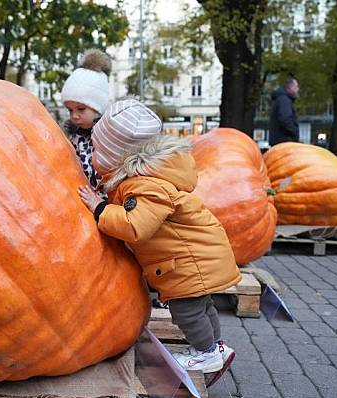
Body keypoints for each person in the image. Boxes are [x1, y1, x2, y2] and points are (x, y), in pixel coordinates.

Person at [77, 99, 241, 374]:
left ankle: (206, 353)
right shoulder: (148, 180)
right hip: (197, 258)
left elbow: (135, 226)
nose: (93, 154)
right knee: (202, 307)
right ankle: (214, 347)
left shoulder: (146, 188)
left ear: (115, 156)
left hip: (189, 263)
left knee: (187, 311)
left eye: (97, 149)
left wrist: (100, 208)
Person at [61, 49, 111, 197]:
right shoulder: (72, 138)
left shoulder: (110, 137)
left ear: (98, 108)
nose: (74, 116)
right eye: (70, 110)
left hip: (108, 205)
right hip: (79, 201)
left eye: (81, 109)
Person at [269, 77, 300, 146]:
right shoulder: (284, 101)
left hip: (280, 141)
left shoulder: (281, 99)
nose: (298, 89)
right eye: (296, 87)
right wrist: (294, 133)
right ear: (291, 87)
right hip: (284, 142)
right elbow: (285, 119)